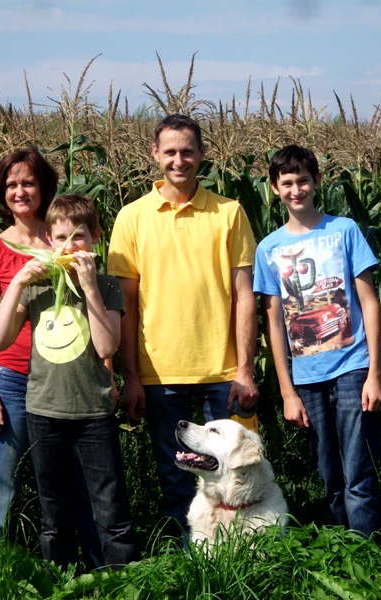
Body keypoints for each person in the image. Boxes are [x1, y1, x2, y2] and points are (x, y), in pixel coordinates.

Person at [107, 114, 259, 536]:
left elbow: (245, 294)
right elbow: (126, 305)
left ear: (203, 154)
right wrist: (131, 376)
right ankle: (185, 566)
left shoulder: (229, 212)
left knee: (238, 476)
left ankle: (247, 557)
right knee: (175, 479)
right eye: (170, 152)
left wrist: (245, 370)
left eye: (188, 151)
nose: (179, 160)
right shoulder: (132, 217)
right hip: (160, 373)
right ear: (155, 154)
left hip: (223, 372)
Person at [0, 194, 139, 569]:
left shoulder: (106, 287)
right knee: (53, 513)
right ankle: (57, 584)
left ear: (95, 238)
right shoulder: (39, 287)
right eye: (60, 238)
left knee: (110, 509)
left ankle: (120, 584)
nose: (69, 246)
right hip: (44, 410)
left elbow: (107, 345)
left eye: (78, 237)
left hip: (94, 412)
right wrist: (19, 282)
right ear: (48, 241)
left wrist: (88, 287)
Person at [0, 148, 102, 566]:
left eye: (28, 183)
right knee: (1, 483)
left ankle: (95, 570)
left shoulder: (67, 238)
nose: (20, 192)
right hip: (12, 378)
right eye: (11, 185)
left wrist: (108, 377)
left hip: (69, 382)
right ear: (1, 192)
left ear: (44, 187)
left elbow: (95, 310)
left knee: (80, 483)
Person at [253, 145, 381, 538]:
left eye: (304, 181)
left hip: (353, 366)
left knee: (358, 471)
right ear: (274, 189)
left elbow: (369, 301)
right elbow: (274, 321)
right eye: (288, 183)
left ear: (317, 182)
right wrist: (286, 391)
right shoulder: (268, 249)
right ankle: (344, 549)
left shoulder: (343, 230)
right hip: (307, 376)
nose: (297, 190)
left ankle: (369, 557)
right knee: (329, 472)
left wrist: (374, 372)